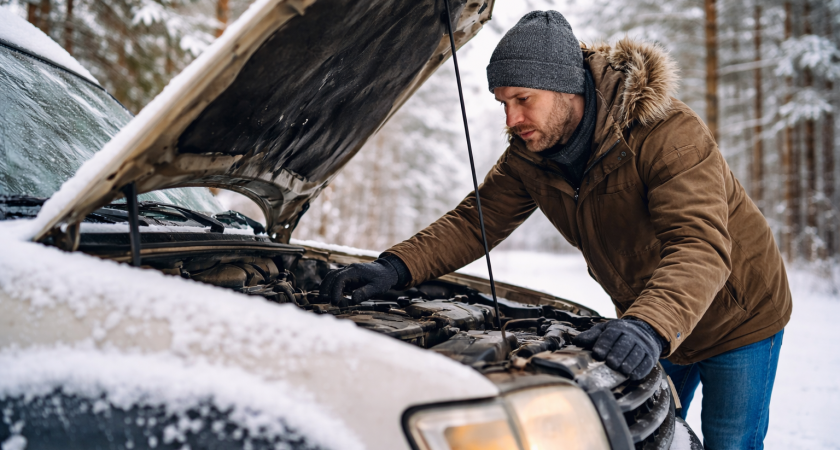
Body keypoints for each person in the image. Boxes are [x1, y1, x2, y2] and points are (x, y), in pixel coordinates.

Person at [319, 11, 791, 449]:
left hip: (738, 316)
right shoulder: (531, 156)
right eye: (503, 103)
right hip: (651, 314)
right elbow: (474, 222)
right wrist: (395, 267)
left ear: (567, 89)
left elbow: (699, 246)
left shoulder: (666, 134)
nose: (512, 120)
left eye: (523, 100)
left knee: (730, 442)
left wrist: (647, 327)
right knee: (652, 436)